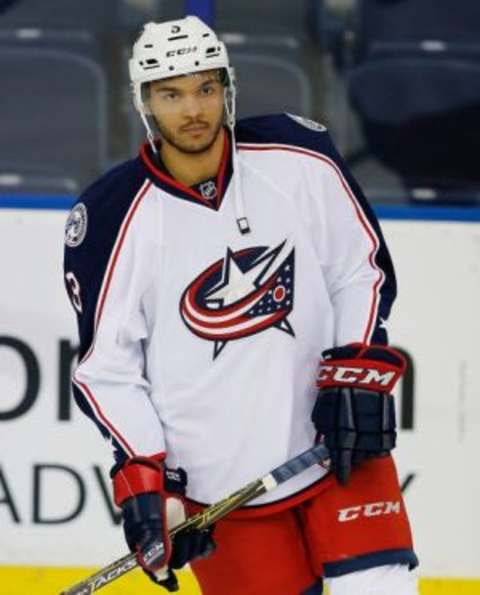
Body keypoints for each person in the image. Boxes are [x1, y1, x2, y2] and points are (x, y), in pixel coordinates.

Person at [63, 15, 418, 595]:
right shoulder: (107, 219)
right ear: (144, 101)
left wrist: (354, 376)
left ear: (227, 88)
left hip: (337, 441)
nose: (192, 109)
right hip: (218, 484)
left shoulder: (299, 157)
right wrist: (149, 483)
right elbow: (108, 370)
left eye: (206, 88)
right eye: (171, 94)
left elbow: (360, 268)